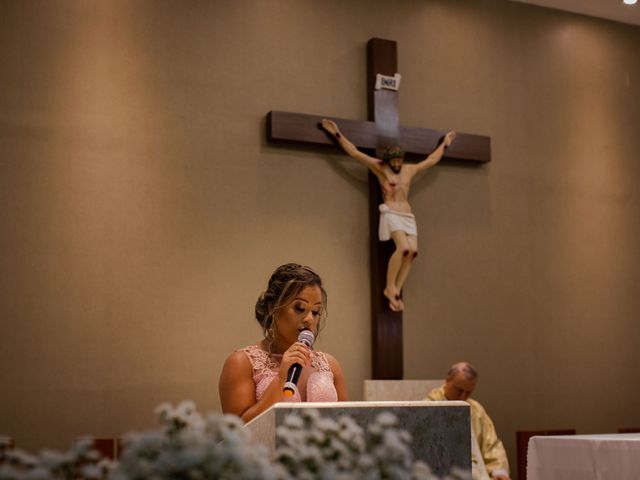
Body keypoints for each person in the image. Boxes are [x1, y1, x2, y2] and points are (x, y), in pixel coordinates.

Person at [321, 119, 456, 312]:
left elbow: (430, 161)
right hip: (391, 212)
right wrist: (337, 134)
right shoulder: (380, 167)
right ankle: (389, 285)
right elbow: (355, 153)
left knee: (412, 252)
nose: (397, 163)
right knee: (402, 248)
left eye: (399, 160)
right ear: (388, 160)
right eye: (394, 160)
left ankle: (395, 290)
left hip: (408, 215)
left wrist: (444, 144)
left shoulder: (409, 170)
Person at [219, 263, 348, 422]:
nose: (309, 319)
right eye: (299, 308)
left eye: (315, 312)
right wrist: (281, 378)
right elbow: (237, 432)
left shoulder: (331, 365)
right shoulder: (241, 363)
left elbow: (346, 427)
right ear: (273, 307)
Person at [425, 362, 511, 480]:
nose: (462, 396)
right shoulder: (428, 408)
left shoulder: (476, 410)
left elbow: (492, 445)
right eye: (459, 390)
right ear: (447, 380)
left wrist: (498, 472)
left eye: (468, 392)